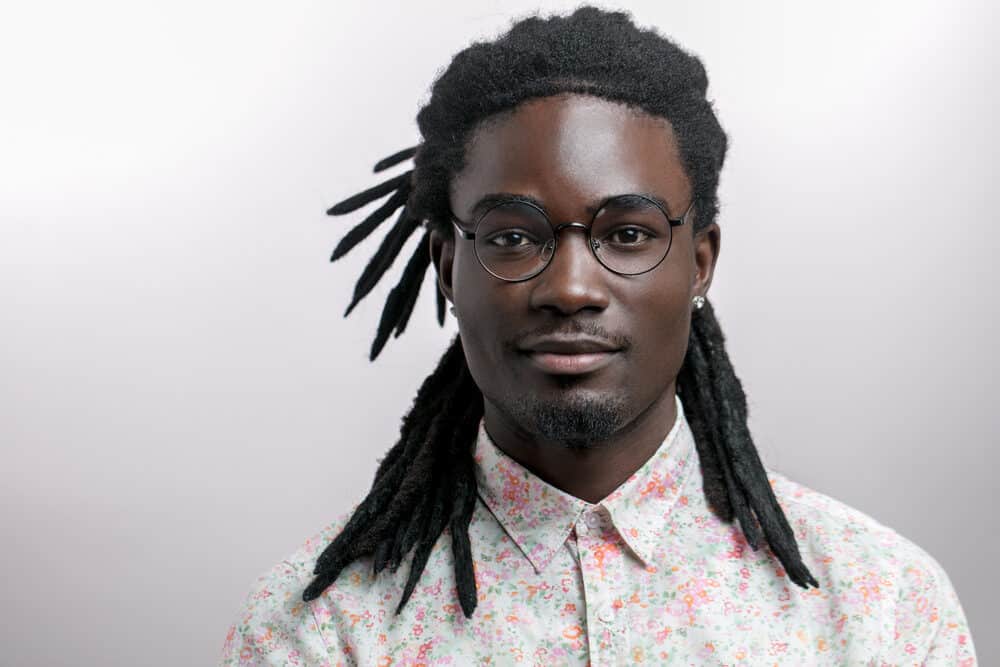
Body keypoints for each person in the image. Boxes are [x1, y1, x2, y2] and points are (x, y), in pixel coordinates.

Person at [221, 7, 976, 665]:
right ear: (448, 267)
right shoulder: (318, 633)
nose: (571, 288)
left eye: (626, 232)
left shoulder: (882, 609)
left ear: (700, 262)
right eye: (513, 236)